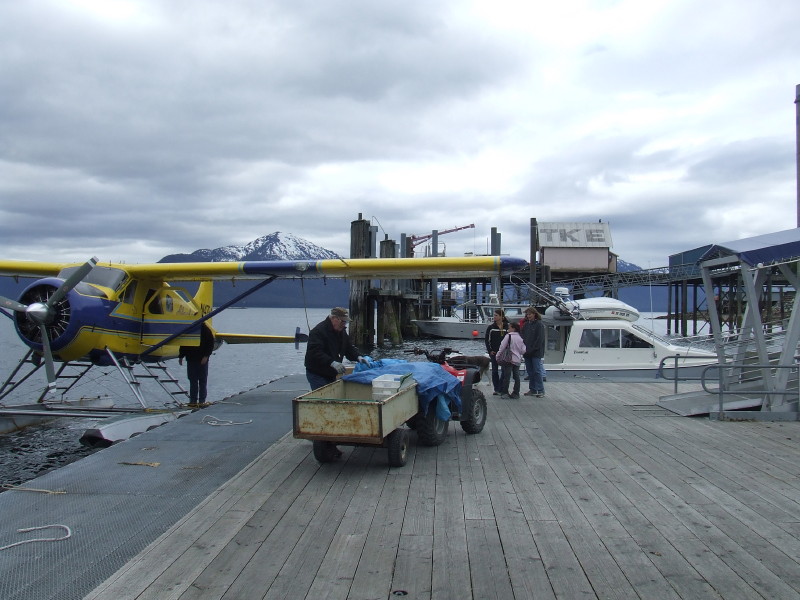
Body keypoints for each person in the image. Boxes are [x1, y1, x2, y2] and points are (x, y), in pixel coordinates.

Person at [304, 307, 365, 458]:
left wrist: (358, 357)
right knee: (324, 406)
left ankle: (328, 442)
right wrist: (331, 362)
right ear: (334, 319)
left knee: (331, 405)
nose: (345, 325)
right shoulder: (318, 331)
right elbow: (315, 352)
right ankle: (323, 443)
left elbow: (348, 348)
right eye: (343, 322)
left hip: (330, 373)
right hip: (317, 373)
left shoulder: (341, 332)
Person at [178, 321, 215, 406]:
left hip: (202, 359)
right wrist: (181, 356)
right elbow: (184, 344)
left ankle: (202, 400)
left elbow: (210, 343)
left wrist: (206, 356)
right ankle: (193, 400)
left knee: (202, 380)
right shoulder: (189, 329)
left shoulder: (205, 330)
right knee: (192, 380)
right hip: (191, 359)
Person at [520, 306, 546, 397]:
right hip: (527, 352)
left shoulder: (539, 324)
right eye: (527, 314)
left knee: (537, 371)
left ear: (534, 314)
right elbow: (522, 337)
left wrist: (532, 349)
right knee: (530, 371)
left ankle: (540, 390)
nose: (528, 316)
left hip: (536, 352)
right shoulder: (526, 325)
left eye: (530, 314)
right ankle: (533, 389)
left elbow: (540, 339)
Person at [496, 321, 525, 398]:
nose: (508, 329)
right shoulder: (520, 337)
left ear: (513, 328)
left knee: (507, 376)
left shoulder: (508, 336)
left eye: (509, 327)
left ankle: (505, 392)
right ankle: (516, 393)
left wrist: (497, 356)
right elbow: (523, 350)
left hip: (508, 359)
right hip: (517, 359)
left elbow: (502, 347)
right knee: (516, 377)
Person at [484, 308, 509, 396]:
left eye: (496, 315)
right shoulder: (491, 328)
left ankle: (501, 387)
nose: (494, 317)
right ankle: (496, 388)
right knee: (494, 371)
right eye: (494, 315)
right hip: (494, 352)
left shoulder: (507, 327)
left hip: (504, 352)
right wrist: (490, 350)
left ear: (501, 317)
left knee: (504, 371)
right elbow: (487, 340)